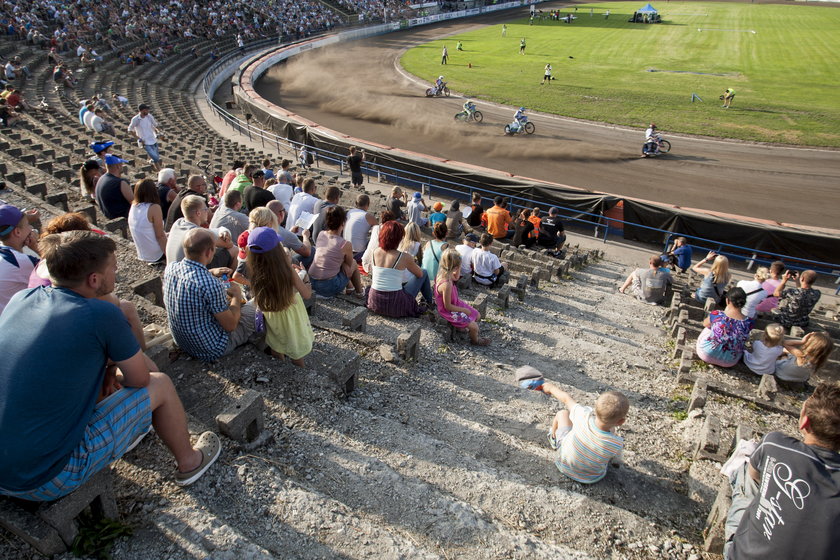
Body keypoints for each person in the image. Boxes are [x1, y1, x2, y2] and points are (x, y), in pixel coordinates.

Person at [1, 231, 223, 499]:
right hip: (43, 477)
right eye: (113, 269)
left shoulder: (22, 299)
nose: (116, 275)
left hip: (9, 462)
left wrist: (106, 367)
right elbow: (141, 379)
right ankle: (190, 461)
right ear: (94, 280)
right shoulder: (101, 314)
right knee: (161, 384)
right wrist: (113, 369)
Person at [722, 382, 840, 560]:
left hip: (739, 555)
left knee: (746, 472)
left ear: (804, 420)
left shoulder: (776, 443)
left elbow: (754, 477)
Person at [163, 228, 255, 362]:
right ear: (208, 252)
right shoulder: (211, 285)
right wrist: (236, 295)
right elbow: (230, 326)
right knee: (254, 307)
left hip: (182, 341)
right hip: (213, 348)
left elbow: (192, 276)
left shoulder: (171, 268)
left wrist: (211, 272)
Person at [246, 227, 313, 366]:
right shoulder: (287, 270)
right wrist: (305, 277)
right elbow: (307, 294)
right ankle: (301, 374)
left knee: (277, 344)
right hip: (291, 315)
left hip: (272, 316)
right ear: (277, 251)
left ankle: (280, 367)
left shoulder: (255, 270)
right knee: (296, 349)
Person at [542, 382, 629, 484]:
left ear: (595, 409)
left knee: (563, 414)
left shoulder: (582, 415)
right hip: (591, 477)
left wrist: (551, 388)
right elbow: (615, 460)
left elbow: (566, 399)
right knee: (610, 432)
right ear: (621, 422)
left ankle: (553, 438)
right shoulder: (617, 443)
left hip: (564, 464)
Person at [367, 221, 433, 318]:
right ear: (399, 238)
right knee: (424, 272)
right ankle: (430, 302)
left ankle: (429, 301)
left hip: (375, 300)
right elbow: (420, 275)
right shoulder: (404, 257)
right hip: (395, 304)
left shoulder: (375, 252)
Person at [435, 250, 488, 345]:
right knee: (474, 327)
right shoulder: (446, 284)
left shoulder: (447, 277)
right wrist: (463, 310)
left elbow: (455, 279)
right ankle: (475, 341)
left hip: (455, 303)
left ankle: (461, 327)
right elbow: (447, 307)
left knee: (477, 315)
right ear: (455, 268)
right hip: (449, 311)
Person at [308, 206, 364, 298]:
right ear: (343, 223)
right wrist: (344, 264)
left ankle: (350, 287)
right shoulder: (345, 244)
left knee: (337, 262)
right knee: (353, 263)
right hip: (327, 287)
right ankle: (360, 292)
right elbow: (349, 264)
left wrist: (342, 263)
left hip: (311, 282)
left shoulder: (321, 234)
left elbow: (330, 254)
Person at [165, 195, 234, 268]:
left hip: (174, 271)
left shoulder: (178, 223)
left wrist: (222, 230)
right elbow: (229, 245)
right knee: (233, 250)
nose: (207, 211)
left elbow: (211, 231)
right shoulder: (197, 233)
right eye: (205, 209)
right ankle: (230, 278)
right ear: (198, 213)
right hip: (190, 273)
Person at [695, 287, 753, 368]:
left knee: (709, 327)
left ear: (727, 300)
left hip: (706, 354)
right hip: (730, 361)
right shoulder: (749, 322)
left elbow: (705, 324)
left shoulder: (718, 314)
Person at [0, 203, 39, 314]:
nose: (31, 228)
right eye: (28, 225)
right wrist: (36, 246)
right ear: (17, 232)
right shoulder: (19, 262)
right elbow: (55, 269)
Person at [128, 179, 167, 264]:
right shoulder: (154, 208)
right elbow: (160, 236)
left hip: (143, 254)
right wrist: (169, 255)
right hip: (156, 255)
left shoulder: (133, 206)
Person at [95, 154, 133, 220]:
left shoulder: (101, 179)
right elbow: (133, 202)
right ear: (118, 166)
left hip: (109, 216)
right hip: (123, 217)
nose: (122, 166)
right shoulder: (120, 182)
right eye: (121, 164)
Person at [127, 103, 162, 170]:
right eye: (146, 110)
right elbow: (130, 130)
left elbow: (155, 125)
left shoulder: (149, 116)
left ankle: (151, 162)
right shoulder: (136, 119)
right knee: (155, 158)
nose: (148, 111)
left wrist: (159, 131)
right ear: (142, 110)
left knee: (156, 156)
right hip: (145, 141)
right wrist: (139, 139)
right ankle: (160, 170)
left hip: (152, 138)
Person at [344, 194, 377, 261]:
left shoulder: (350, 212)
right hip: (358, 253)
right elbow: (379, 231)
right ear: (368, 204)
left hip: (345, 250)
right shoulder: (368, 216)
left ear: (356, 203)